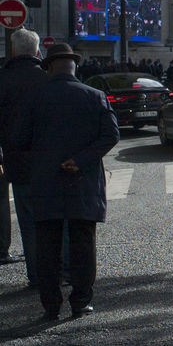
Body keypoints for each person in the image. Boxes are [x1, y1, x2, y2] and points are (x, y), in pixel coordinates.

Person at [11, 44, 119, 320]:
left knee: (47, 247)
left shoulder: (35, 98)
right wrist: (80, 159)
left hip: (46, 181)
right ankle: (81, 301)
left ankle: (51, 306)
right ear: (75, 67)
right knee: (83, 244)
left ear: (48, 68)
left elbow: (19, 140)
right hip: (82, 180)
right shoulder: (95, 96)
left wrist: (40, 162)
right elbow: (111, 135)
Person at [0, 29, 48, 283]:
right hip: (49, 160)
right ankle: (57, 271)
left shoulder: (3, 79)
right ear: (37, 50)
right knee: (53, 218)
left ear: (13, 50)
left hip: (17, 160)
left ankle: (36, 274)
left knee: (28, 221)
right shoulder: (48, 79)